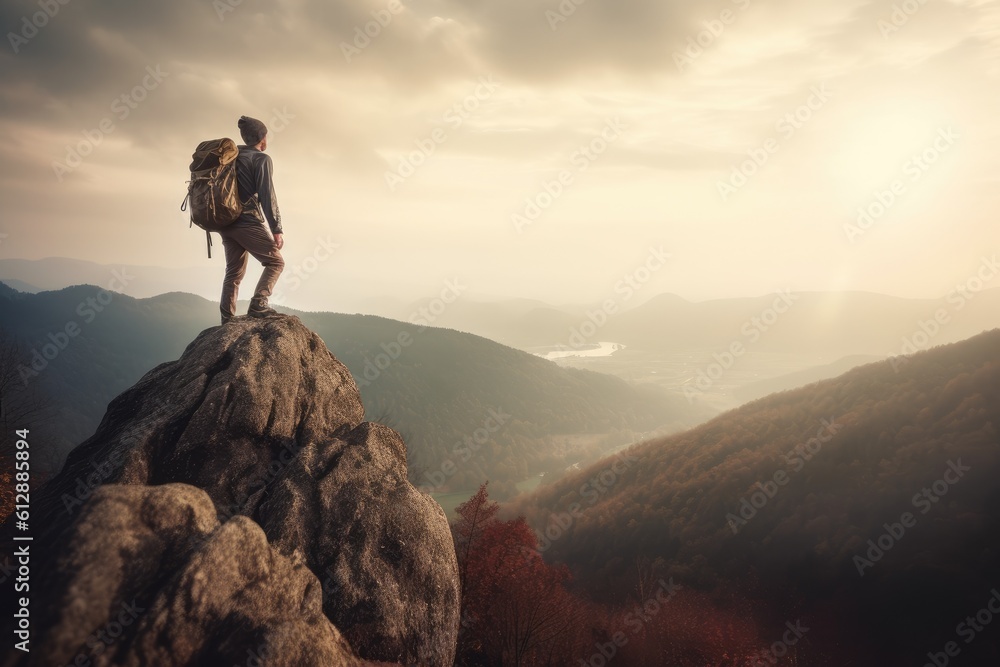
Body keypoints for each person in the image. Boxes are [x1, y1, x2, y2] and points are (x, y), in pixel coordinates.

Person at [219, 115, 285, 324]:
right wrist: (276, 228)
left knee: (234, 273)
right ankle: (259, 303)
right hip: (246, 221)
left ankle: (227, 319)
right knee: (275, 262)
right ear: (261, 137)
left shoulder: (231, 157)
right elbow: (267, 195)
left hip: (225, 222)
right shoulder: (261, 159)